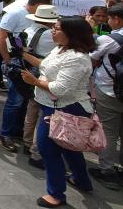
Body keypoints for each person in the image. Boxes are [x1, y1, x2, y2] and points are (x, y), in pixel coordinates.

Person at [20, 16, 96, 207]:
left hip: (65, 108)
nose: (53, 31)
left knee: (48, 149)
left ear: (71, 33)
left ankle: (56, 194)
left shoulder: (77, 58)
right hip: (51, 105)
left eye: (57, 28)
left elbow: (61, 89)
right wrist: (24, 54)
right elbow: (45, 65)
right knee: (69, 147)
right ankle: (81, 180)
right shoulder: (60, 49)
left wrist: (35, 81)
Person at [0, 0, 53, 152]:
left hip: (32, 67)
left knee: (25, 102)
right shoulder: (15, 13)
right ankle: (5, 134)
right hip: (20, 65)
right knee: (15, 101)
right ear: (40, 4)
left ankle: (18, 131)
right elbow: (1, 38)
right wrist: (8, 61)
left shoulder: (37, 23)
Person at [18, 4, 59, 170]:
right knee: (42, 115)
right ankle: (36, 149)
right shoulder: (51, 35)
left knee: (31, 110)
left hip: (31, 70)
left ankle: (27, 142)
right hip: (44, 75)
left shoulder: (28, 30)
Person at [88, 3, 123, 190]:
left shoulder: (111, 39)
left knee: (108, 131)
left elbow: (91, 59)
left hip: (110, 91)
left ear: (116, 19)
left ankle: (107, 171)